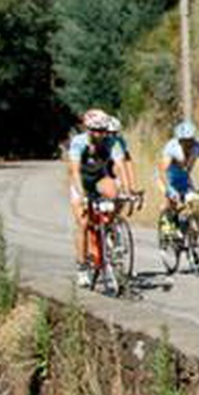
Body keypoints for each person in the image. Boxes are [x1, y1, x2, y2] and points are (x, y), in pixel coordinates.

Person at [65, 108, 125, 286]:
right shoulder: (78, 142)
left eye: (104, 131)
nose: (101, 134)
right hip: (81, 182)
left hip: (99, 179)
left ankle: (108, 230)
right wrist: (82, 195)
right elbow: (74, 171)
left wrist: (126, 190)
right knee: (83, 223)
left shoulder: (112, 141)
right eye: (97, 131)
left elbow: (120, 166)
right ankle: (82, 267)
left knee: (115, 194)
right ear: (88, 129)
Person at [158, 121, 199, 241]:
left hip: (184, 177)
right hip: (167, 176)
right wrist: (169, 191)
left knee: (193, 201)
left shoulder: (198, 146)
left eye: (191, 140)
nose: (188, 143)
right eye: (185, 141)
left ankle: (190, 231)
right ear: (179, 141)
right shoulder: (172, 148)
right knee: (173, 200)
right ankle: (167, 222)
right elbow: (162, 172)